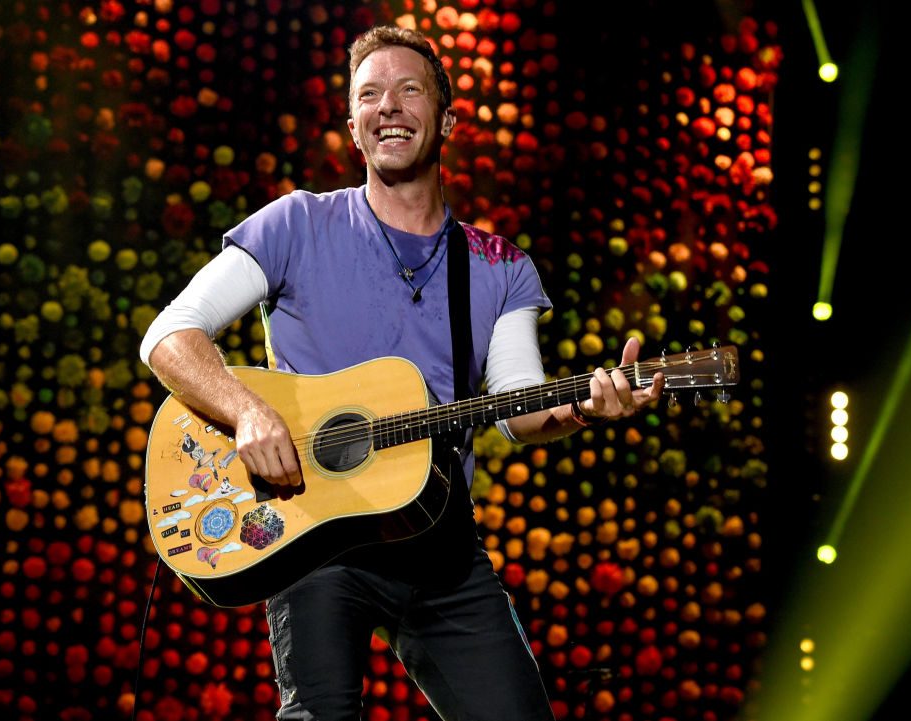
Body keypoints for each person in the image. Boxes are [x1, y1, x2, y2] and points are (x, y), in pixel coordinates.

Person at [140, 25, 664, 721]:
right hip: (315, 534)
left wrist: (584, 408)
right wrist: (247, 411)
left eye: (408, 89)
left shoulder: (499, 265)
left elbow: (517, 410)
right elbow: (169, 335)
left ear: (446, 121)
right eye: (369, 95)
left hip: (438, 540)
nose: (387, 105)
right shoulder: (296, 224)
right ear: (353, 130)